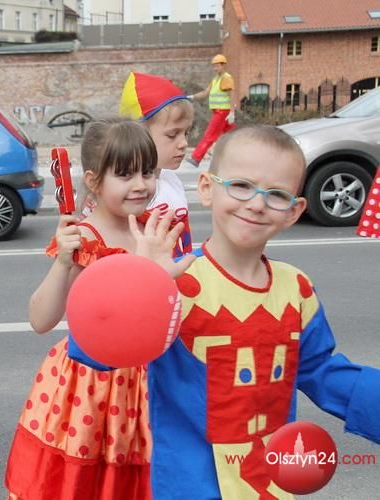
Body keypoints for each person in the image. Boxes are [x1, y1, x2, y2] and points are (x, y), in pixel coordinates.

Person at [147, 125, 380, 498]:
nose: (256, 204)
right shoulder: (174, 282)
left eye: (276, 194)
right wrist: (143, 287)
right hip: (189, 485)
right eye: (240, 185)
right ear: (206, 188)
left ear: (294, 211)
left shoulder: (296, 289)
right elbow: (103, 352)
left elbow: (321, 371)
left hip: (269, 484)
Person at [4, 118, 194, 500]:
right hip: (92, 388)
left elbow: (173, 311)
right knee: (87, 484)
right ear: (93, 180)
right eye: (125, 174)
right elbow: (40, 320)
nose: (140, 184)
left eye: (147, 172)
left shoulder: (155, 232)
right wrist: (63, 261)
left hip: (151, 384)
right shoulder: (83, 239)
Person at [120, 71, 195, 256]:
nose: (184, 143)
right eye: (172, 134)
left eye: (186, 133)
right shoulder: (127, 191)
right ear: (139, 134)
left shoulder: (172, 180)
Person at [188, 54, 236, 167]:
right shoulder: (215, 80)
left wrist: (232, 112)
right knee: (229, 136)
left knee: (210, 135)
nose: (215, 68)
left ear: (223, 65)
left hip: (222, 112)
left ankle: (196, 158)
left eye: (217, 66)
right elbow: (206, 92)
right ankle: (233, 157)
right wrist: (192, 97)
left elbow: (232, 95)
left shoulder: (226, 78)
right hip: (220, 112)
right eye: (214, 66)